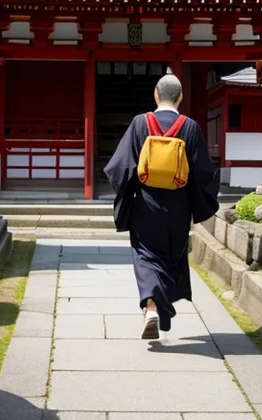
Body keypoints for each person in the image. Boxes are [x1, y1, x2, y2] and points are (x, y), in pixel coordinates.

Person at [104, 74, 220, 340]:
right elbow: (203, 173)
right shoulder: (189, 127)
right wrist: (196, 204)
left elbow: (121, 167)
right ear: (180, 97)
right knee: (171, 258)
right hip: (178, 208)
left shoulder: (139, 123)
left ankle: (152, 309)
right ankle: (158, 308)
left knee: (145, 256)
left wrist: (128, 192)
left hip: (145, 205)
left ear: (156, 94)